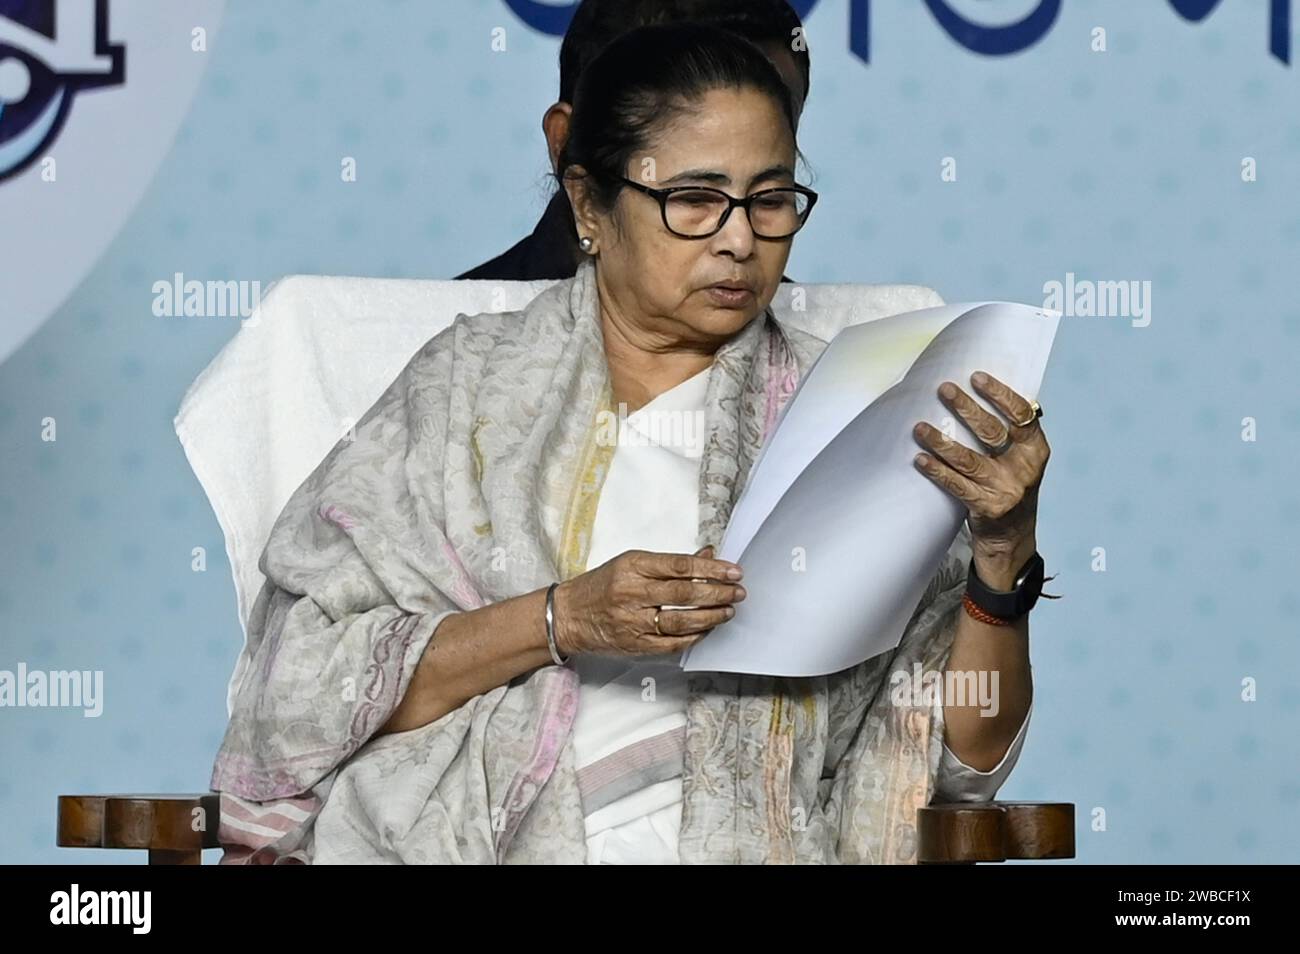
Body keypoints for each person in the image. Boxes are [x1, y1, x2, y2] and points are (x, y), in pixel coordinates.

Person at [211, 22, 1048, 865]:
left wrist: (1003, 558)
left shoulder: (848, 421)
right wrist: (563, 617)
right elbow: (298, 693)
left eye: (769, 199)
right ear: (589, 206)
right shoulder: (465, 392)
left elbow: (957, 765)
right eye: (693, 199)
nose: (739, 240)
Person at [456, 0, 810, 282]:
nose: (739, 239)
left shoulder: (825, 358)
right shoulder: (445, 348)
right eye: (693, 194)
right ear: (564, 142)